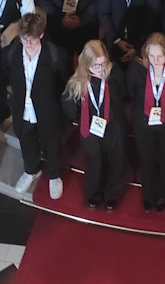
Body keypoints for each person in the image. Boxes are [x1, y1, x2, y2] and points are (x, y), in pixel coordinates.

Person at [5, 9, 72, 198]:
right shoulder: (11, 54)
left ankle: (54, 175)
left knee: (52, 144)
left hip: (47, 110)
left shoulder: (56, 56)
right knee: (27, 141)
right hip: (22, 110)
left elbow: (65, 84)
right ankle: (31, 170)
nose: (27, 44)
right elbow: (8, 76)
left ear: (41, 35)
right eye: (23, 39)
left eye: (32, 40)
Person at [62, 40, 128, 210]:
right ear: (86, 64)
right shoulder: (78, 82)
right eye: (95, 66)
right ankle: (94, 193)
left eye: (103, 64)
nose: (100, 69)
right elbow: (69, 105)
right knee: (94, 161)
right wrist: (80, 118)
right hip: (90, 127)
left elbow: (123, 93)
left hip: (114, 125)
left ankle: (112, 194)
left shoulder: (113, 73)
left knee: (116, 159)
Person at [126, 33, 165, 211]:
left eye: (160, 56)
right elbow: (131, 92)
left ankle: (163, 191)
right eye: (151, 56)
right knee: (147, 157)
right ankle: (148, 193)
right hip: (143, 121)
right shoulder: (136, 68)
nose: (155, 61)